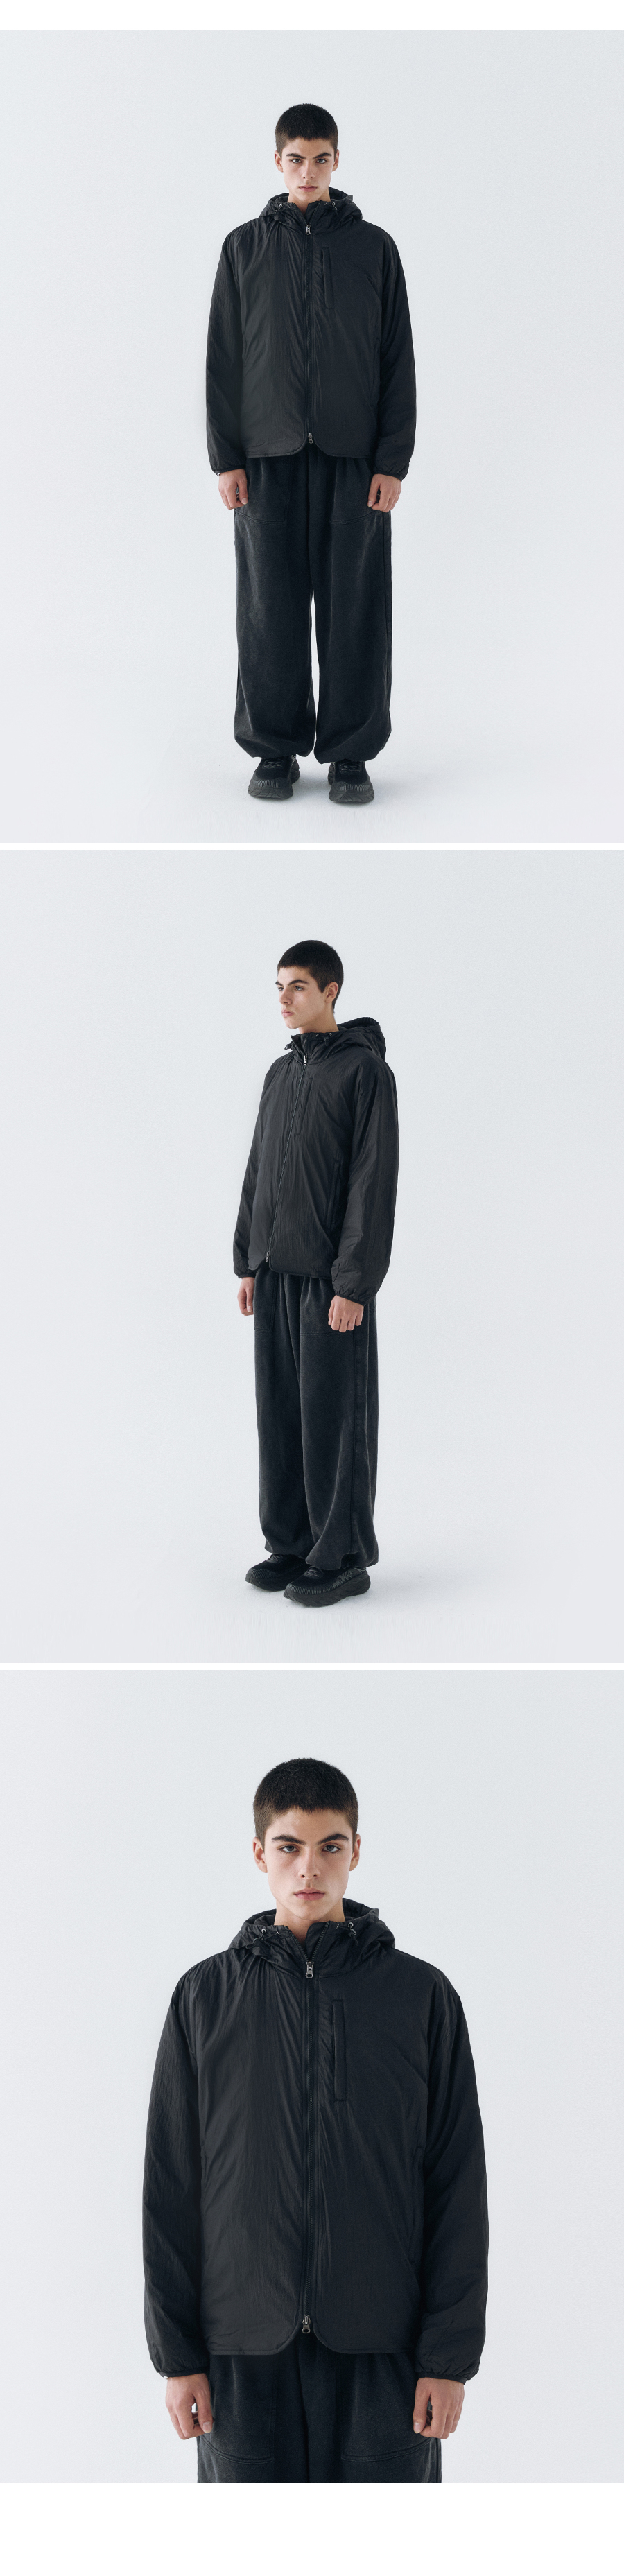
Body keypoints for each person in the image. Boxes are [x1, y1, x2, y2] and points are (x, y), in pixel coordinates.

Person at [143, 1755, 489, 2485]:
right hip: (240, 2350)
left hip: (385, 2348)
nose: (310, 1867)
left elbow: (457, 2181)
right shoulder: (204, 1998)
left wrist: (447, 2358)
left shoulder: (421, 1997)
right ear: (259, 1853)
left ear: (356, 1850)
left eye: (331, 1845)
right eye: (289, 1846)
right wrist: (178, 2357)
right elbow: (171, 2187)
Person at [206, 103, 416, 805]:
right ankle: (273, 748)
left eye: (320, 158)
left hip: (354, 458)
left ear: (336, 161)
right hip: (265, 457)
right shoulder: (243, 248)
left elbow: (396, 357)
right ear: (278, 162)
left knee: (356, 607)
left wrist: (392, 460)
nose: (307, 171)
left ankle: (350, 753)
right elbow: (223, 358)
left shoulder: (374, 248)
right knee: (269, 606)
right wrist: (226, 458)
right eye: (295, 159)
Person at [234, 939, 399, 1607]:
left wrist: (354, 1283)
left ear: (330, 991)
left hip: (332, 1282)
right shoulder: (281, 1074)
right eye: (279, 986)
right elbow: (258, 1170)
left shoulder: (365, 1073)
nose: (284, 998)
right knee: (280, 1416)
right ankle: (292, 1544)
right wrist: (248, 1261)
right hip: (276, 1272)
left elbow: (372, 1182)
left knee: (334, 1419)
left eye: (297, 986)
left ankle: (343, 1557)